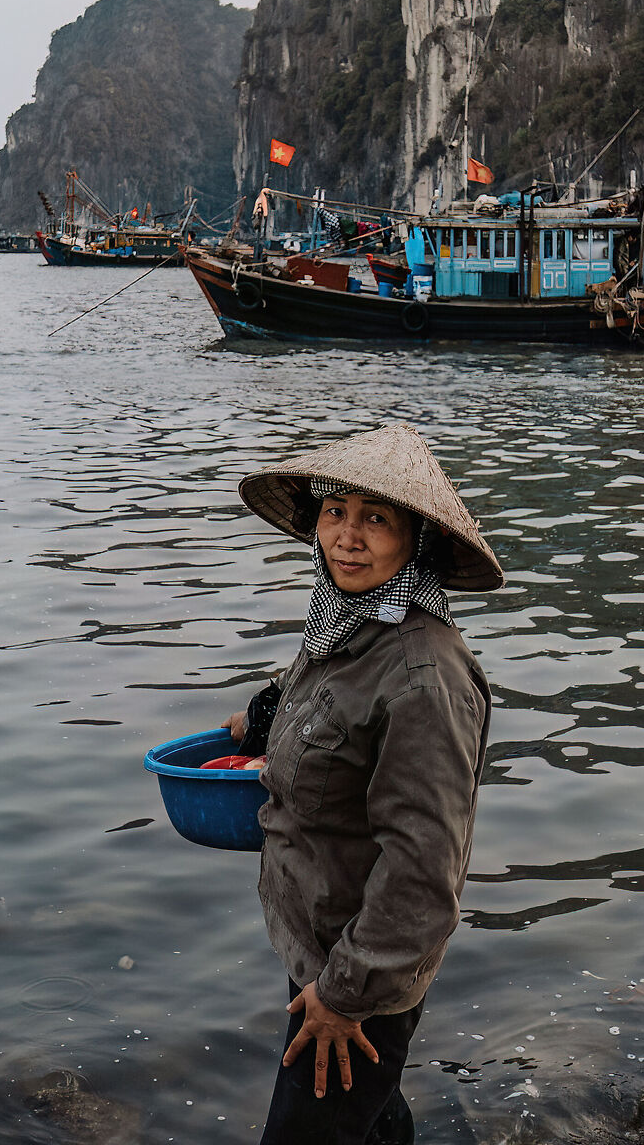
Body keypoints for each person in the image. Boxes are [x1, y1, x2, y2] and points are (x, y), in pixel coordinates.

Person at [223, 423, 501, 1145]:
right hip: (321, 945)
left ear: (417, 540)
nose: (347, 536)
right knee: (372, 1125)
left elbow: (422, 871)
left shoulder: (425, 676)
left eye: (376, 518)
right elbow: (320, 699)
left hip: (360, 972)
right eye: (335, 511)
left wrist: (343, 999)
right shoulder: (349, 623)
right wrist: (259, 720)